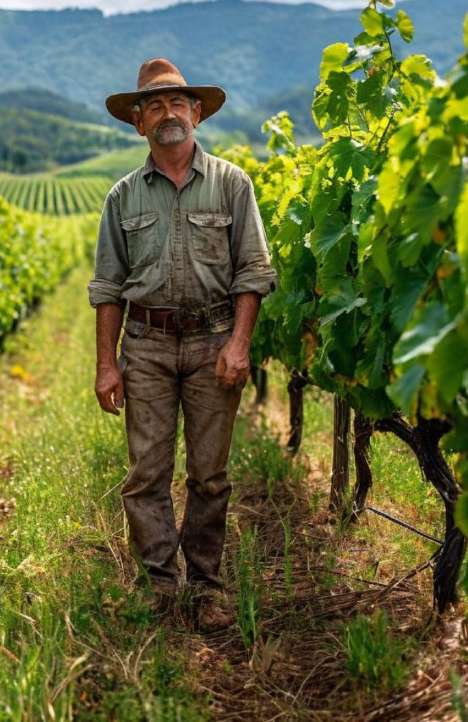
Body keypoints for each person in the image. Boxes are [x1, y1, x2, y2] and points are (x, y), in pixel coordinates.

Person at [88, 58, 277, 632]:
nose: (167, 112)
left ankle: (207, 586)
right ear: (139, 123)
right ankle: (158, 584)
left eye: (177, 102)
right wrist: (105, 365)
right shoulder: (122, 198)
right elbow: (107, 288)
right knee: (146, 473)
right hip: (145, 345)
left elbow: (253, 270)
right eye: (154, 105)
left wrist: (239, 343)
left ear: (196, 113)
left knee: (209, 474)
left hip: (213, 342)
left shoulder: (232, 183)